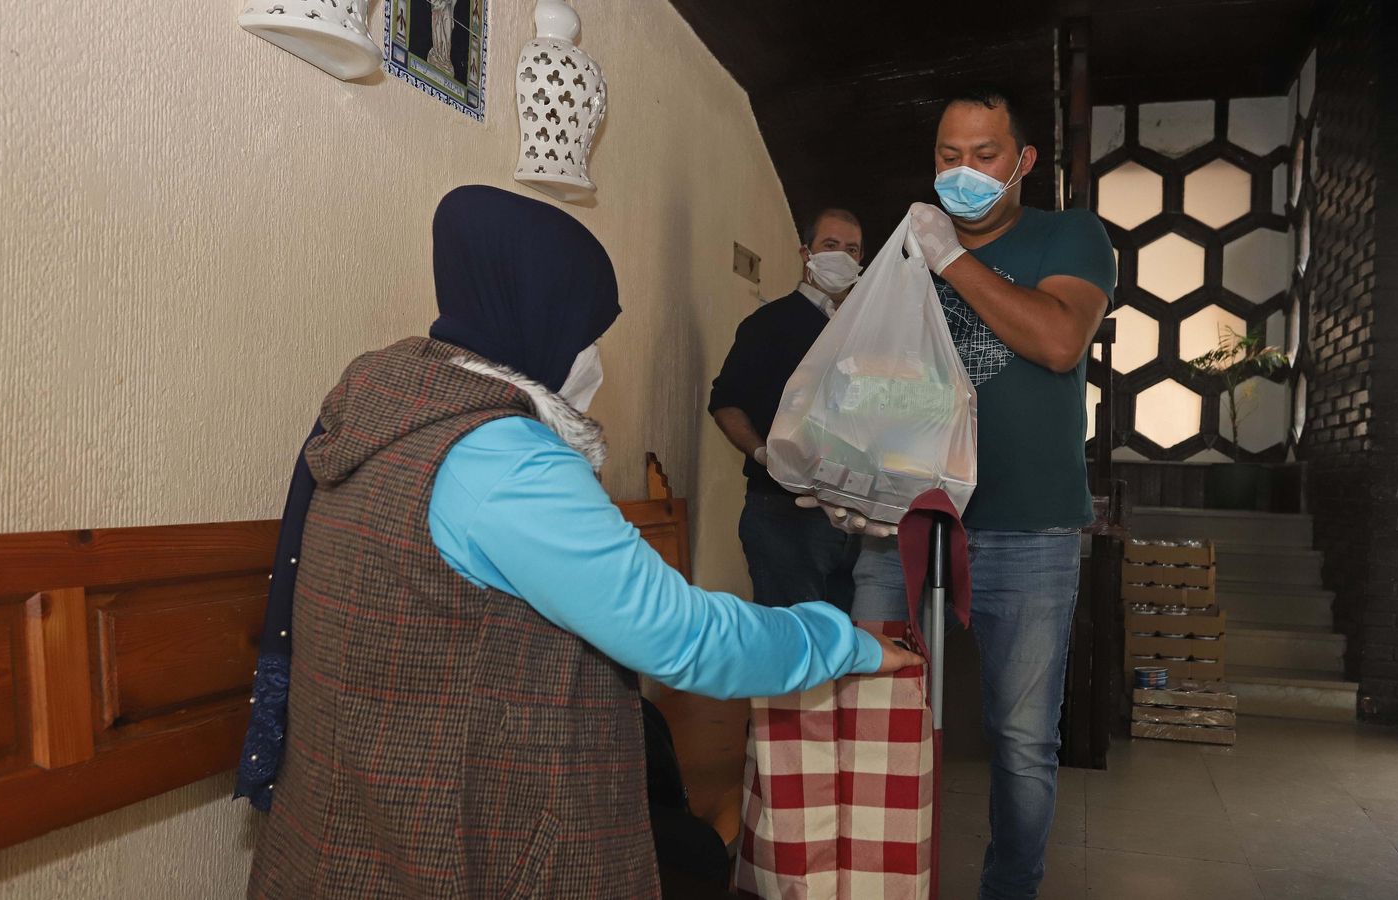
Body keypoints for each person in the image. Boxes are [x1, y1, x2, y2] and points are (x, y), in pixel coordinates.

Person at [242, 186, 920, 899]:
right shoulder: (502, 458)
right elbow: (684, 639)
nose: (593, 355)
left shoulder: (385, 410)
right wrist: (846, 640)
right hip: (469, 830)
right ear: (541, 312)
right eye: (587, 329)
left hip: (359, 811)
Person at [838, 87, 1116, 900]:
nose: (963, 172)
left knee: (1023, 740)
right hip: (901, 524)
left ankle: (1009, 890)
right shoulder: (902, 252)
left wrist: (951, 261)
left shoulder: (1069, 235)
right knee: (872, 711)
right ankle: (868, 883)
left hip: (1029, 531)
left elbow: (1060, 342)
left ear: (1023, 161)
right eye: (947, 156)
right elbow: (865, 380)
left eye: (984, 155)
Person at [708, 208, 867, 610]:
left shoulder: (865, 331)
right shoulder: (768, 323)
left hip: (855, 515)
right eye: (830, 246)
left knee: (852, 644)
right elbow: (726, 401)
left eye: (852, 250)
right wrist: (764, 454)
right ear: (805, 252)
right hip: (783, 512)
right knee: (792, 643)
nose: (842, 258)